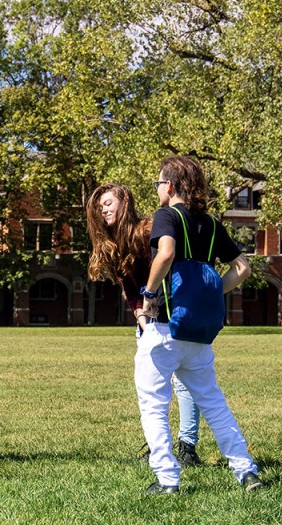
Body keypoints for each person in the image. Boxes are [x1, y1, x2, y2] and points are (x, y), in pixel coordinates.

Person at [136, 156, 262, 493]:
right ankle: (246, 471)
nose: (158, 189)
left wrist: (148, 294)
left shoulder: (166, 216)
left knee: (154, 403)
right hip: (199, 334)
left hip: (165, 328)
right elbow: (243, 268)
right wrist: (211, 290)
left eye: (159, 183)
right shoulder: (211, 223)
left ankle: (166, 479)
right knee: (213, 402)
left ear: (171, 186)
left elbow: (165, 253)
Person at [86, 184, 204, 470]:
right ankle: (158, 445)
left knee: (185, 383)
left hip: (177, 315)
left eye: (108, 202)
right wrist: (142, 320)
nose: (103, 209)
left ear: (124, 202)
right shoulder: (114, 243)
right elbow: (129, 288)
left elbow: (171, 265)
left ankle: (187, 447)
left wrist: (159, 310)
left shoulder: (149, 229)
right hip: (148, 321)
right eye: (100, 206)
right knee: (152, 388)